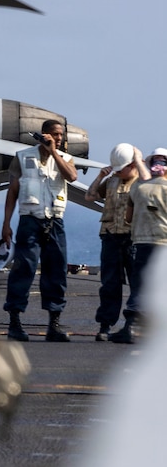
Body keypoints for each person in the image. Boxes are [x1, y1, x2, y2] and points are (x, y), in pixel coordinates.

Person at [0, 119, 78, 342]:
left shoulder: (65, 159)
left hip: (55, 221)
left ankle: (54, 324)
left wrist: (54, 152)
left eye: (61, 135)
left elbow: (72, 177)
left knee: (57, 271)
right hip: (30, 220)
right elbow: (12, 192)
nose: (59, 138)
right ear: (44, 134)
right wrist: (6, 224)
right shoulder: (23, 157)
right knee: (23, 268)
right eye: (54, 134)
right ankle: (15, 322)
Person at [84, 143, 150, 341]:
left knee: (138, 284)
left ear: (133, 165)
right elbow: (90, 196)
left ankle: (133, 325)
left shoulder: (144, 181)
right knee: (109, 284)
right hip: (110, 236)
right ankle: (105, 325)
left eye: (122, 169)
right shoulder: (112, 181)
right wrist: (99, 177)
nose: (119, 173)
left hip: (133, 239)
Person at [111, 148, 167, 344]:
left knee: (140, 286)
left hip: (142, 243)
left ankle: (131, 327)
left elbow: (127, 218)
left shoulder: (138, 187)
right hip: (164, 243)